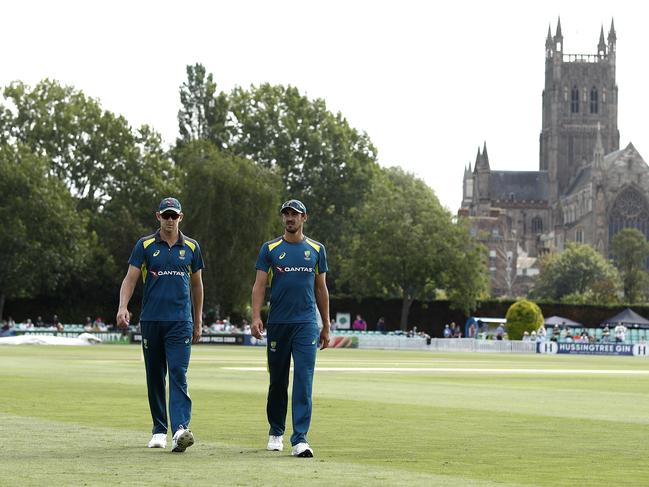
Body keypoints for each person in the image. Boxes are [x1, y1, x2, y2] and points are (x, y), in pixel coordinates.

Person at [116, 197, 204, 453]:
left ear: (180, 217)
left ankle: (180, 429)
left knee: (178, 374)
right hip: (152, 320)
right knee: (155, 376)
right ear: (158, 217)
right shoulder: (144, 245)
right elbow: (130, 279)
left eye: (173, 216)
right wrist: (123, 307)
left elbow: (197, 285)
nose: (169, 220)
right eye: (165, 215)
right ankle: (158, 430)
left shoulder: (192, 247)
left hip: (180, 322)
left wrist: (198, 319)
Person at [251, 198, 330, 458]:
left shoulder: (317, 249)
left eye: (294, 214)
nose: (290, 218)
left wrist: (326, 324)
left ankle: (300, 439)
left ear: (304, 218)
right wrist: (255, 317)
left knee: (304, 381)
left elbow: (321, 289)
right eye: (286, 214)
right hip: (278, 323)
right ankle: (276, 431)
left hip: (306, 323)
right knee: (278, 381)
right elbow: (259, 285)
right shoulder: (270, 248)